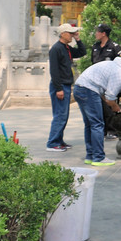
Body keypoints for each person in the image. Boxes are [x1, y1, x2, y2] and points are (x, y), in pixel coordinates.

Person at [72, 56, 121, 166]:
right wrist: (115, 107)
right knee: (97, 124)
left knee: (90, 124)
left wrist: (110, 103)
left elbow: (104, 93)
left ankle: (90, 155)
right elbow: (110, 98)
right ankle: (98, 157)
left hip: (80, 87)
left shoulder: (119, 67)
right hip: (88, 89)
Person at [46, 23, 86, 152]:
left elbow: (82, 52)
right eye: (70, 33)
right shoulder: (56, 49)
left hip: (66, 85)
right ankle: (52, 143)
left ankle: (59, 140)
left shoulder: (67, 48)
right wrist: (58, 89)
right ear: (63, 34)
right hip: (60, 86)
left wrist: (78, 39)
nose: (72, 35)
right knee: (60, 115)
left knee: (64, 115)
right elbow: (54, 71)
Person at [91, 23, 121, 140]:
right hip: (96, 81)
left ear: (103, 33)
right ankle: (103, 130)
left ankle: (112, 130)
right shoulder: (95, 46)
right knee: (99, 106)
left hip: (109, 82)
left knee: (109, 105)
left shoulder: (115, 47)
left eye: (98, 32)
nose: (96, 34)